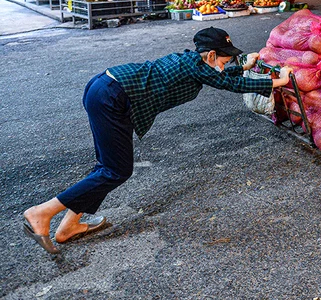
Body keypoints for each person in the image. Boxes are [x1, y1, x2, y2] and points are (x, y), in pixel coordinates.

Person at [22, 28, 292, 254]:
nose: (225, 65)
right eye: (224, 60)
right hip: (112, 97)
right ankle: (43, 212)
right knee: (116, 170)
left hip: (105, 87)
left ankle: (70, 225)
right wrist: (277, 82)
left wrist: (242, 68)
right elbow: (230, 85)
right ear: (211, 55)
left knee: (107, 166)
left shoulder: (195, 63)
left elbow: (219, 77)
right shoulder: (197, 67)